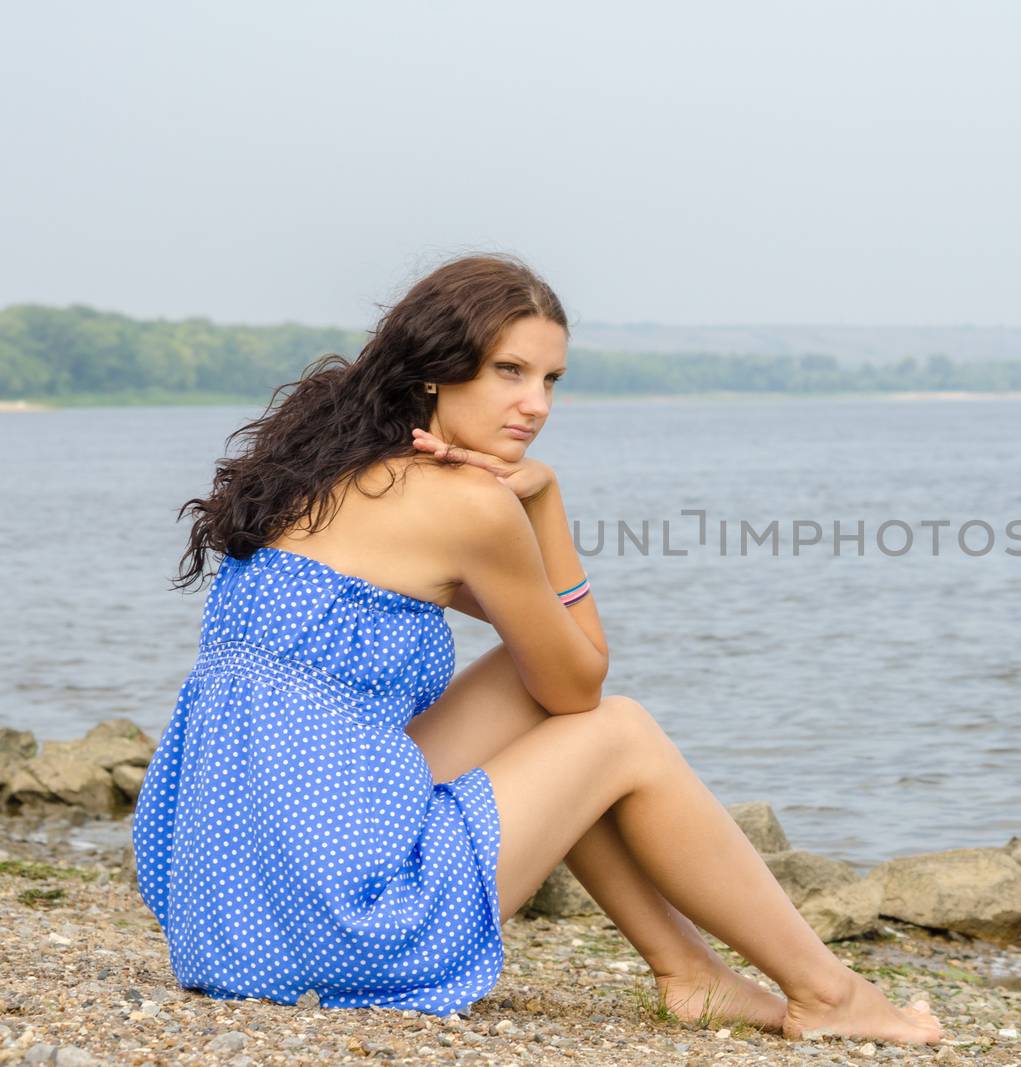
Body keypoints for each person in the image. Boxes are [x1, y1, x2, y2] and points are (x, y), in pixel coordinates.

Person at [131, 252, 943, 1045]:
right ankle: (827, 991)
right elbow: (582, 681)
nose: (537, 403)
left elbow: (546, 678)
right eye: (510, 372)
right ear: (435, 373)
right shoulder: (468, 507)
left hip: (224, 917)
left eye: (551, 379)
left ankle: (690, 973)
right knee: (616, 731)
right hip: (347, 924)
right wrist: (544, 505)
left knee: (536, 703)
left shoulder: (308, 476)